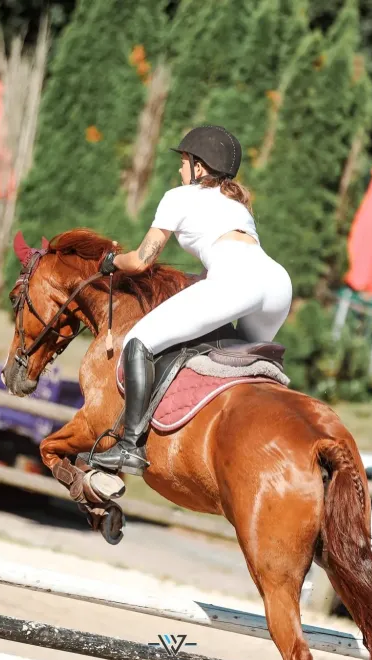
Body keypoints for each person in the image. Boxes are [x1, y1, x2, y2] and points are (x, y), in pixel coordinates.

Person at [84, 125, 293, 476]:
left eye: (183, 161)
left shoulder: (179, 197)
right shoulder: (235, 203)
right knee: (243, 361)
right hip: (277, 284)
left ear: (199, 167)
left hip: (237, 283)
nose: (180, 170)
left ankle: (130, 447)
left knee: (137, 341)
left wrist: (109, 261)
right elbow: (229, 263)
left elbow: (141, 261)